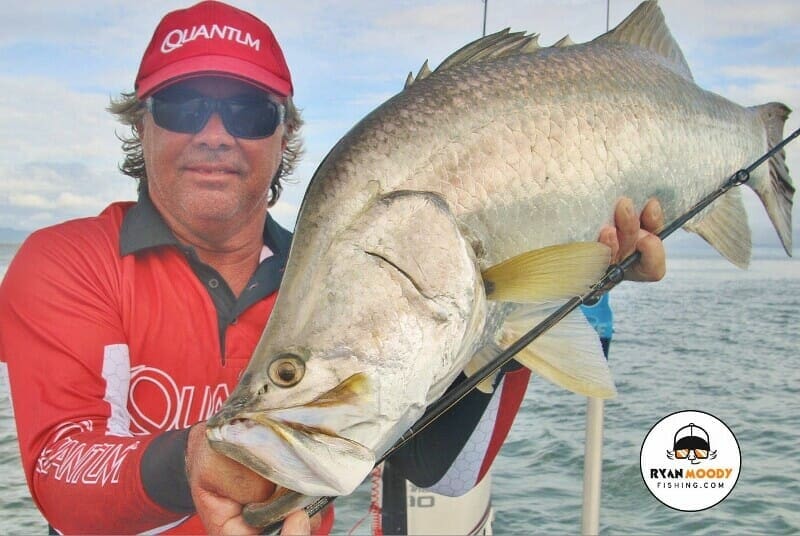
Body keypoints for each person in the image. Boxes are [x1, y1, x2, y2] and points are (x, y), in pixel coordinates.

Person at [0, 2, 666, 535]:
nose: (214, 132)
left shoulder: (345, 279)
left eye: (247, 111)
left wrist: (548, 302)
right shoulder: (66, 263)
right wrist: (193, 463)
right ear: (139, 126)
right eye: (181, 105)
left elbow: (442, 471)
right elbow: (61, 472)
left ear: (283, 136)